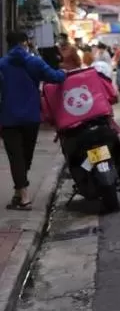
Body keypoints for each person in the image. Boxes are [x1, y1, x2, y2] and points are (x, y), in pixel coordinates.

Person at [0, 31, 66, 210]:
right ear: (24, 43)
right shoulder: (34, 61)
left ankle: (23, 196)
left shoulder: (2, 65)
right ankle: (21, 195)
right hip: (31, 117)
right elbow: (55, 77)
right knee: (25, 156)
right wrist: (63, 72)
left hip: (9, 118)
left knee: (16, 158)